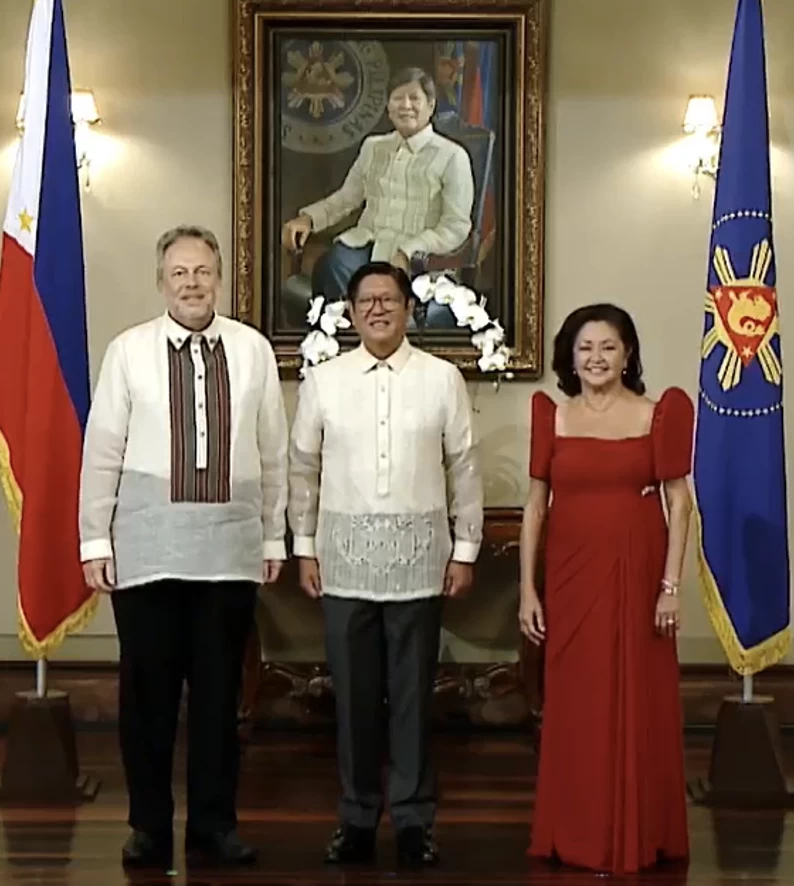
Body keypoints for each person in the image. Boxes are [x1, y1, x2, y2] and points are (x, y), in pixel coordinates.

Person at [79, 225, 288, 869]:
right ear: (161, 281)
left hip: (229, 552)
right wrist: (94, 537)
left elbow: (274, 451)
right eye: (179, 273)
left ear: (218, 277)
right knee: (148, 700)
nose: (191, 283)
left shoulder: (253, 350)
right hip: (145, 550)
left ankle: (214, 826)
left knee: (220, 698)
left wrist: (275, 532)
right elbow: (102, 449)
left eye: (202, 271)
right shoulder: (129, 352)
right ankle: (148, 825)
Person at [288, 261, 483, 866]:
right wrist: (304, 545)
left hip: (421, 561)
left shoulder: (442, 378)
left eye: (389, 299)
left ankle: (415, 819)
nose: (378, 309)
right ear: (350, 312)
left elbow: (465, 467)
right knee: (353, 698)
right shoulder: (323, 380)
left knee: (411, 698)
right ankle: (356, 817)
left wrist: (466, 548)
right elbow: (303, 469)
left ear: (407, 309)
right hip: (342, 561)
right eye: (366, 300)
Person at [520, 304, 691, 874]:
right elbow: (534, 506)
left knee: (637, 696)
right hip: (570, 577)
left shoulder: (657, 414)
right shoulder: (553, 416)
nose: (596, 358)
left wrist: (671, 585)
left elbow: (680, 502)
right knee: (578, 704)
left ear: (628, 355)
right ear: (570, 357)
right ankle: (577, 832)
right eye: (585, 347)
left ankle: (640, 830)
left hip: (639, 573)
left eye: (608, 347)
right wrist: (528, 589)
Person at [282, 66, 474, 325]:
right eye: (398, 98)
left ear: (431, 105)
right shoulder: (374, 147)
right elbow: (346, 198)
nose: (406, 106)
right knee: (332, 264)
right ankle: (346, 348)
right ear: (388, 106)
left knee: (391, 290)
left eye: (414, 98)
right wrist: (308, 218)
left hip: (420, 258)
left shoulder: (452, 156)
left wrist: (409, 251)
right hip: (367, 245)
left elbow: (456, 226)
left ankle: (384, 350)